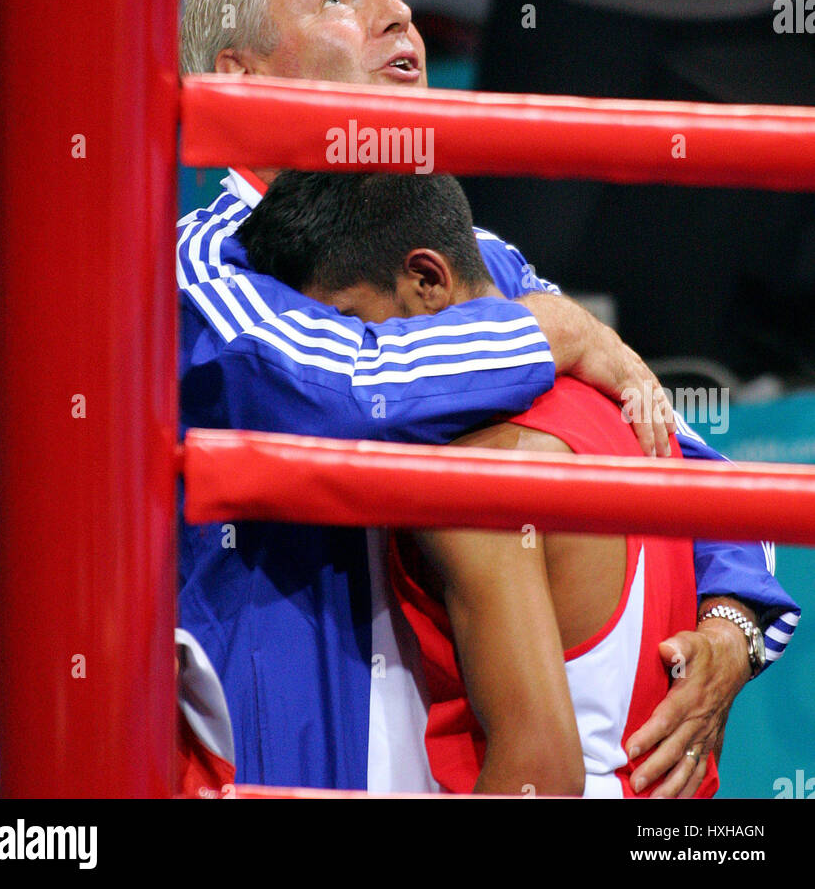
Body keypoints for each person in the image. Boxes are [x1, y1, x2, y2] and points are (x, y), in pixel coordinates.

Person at [176, 0, 799, 793]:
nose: (396, 16)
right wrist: (555, 329)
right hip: (283, 762)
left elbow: (684, 461)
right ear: (237, 80)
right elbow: (347, 393)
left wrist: (732, 629)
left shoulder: (482, 256)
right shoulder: (199, 261)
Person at [238, 170, 783, 797]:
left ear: (427, 281)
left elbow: (539, 774)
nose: (354, 356)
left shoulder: (474, 469)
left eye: (354, 324)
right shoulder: (612, 399)